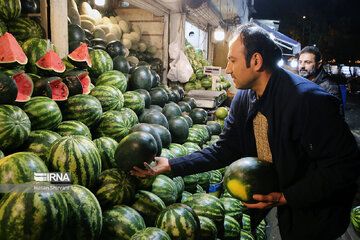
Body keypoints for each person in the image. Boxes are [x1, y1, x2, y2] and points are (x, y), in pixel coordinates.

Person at [131, 23, 360, 240]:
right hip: (277, 203)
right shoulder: (244, 96)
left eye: (232, 60)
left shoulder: (307, 102)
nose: (228, 69)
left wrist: (285, 197)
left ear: (256, 61)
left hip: (313, 214)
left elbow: (345, 166)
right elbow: (225, 149)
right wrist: (171, 165)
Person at [298, 46, 344, 116]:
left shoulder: (330, 87)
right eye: (300, 62)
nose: (302, 66)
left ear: (318, 64)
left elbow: (337, 119)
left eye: (307, 62)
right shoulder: (298, 82)